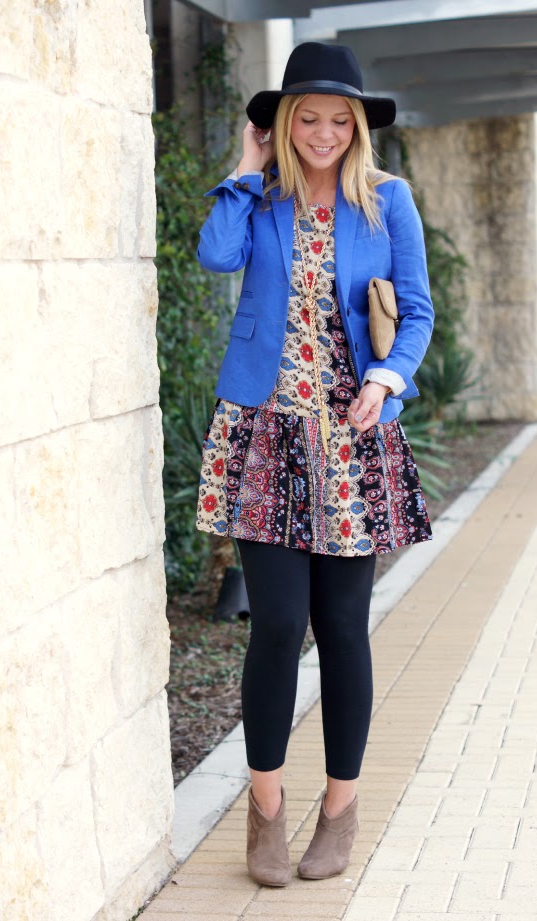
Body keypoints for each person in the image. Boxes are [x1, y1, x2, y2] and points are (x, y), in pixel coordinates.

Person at [195, 41, 434, 887]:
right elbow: (215, 256)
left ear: (359, 126)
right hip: (264, 431)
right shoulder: (260, 196)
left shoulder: (389, 200)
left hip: (352, 437)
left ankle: (340, 809)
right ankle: (264, 811)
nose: (325, 132)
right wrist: (247, 160)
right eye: (309, 117)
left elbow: (415, 310)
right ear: (285, 121)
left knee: (341, 629)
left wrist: (386, 375)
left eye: (341, 119)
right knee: (276, 624)